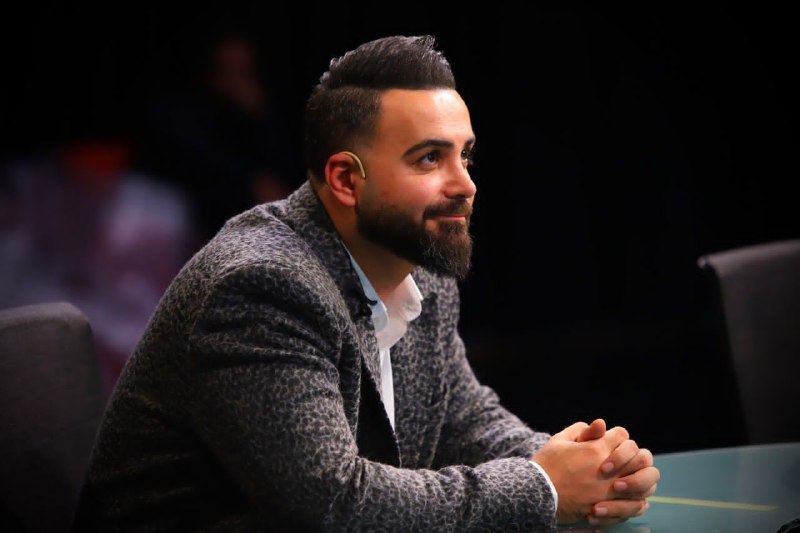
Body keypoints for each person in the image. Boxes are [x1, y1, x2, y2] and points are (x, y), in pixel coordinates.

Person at [74, 35, 659, 531]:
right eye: (429, 159)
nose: (465, 184)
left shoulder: (419, 264)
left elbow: (461, 419)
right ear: (345, 180)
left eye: (465, 156)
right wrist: (541, 487)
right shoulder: (262, 287)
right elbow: (333, 505)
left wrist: (587, 468)